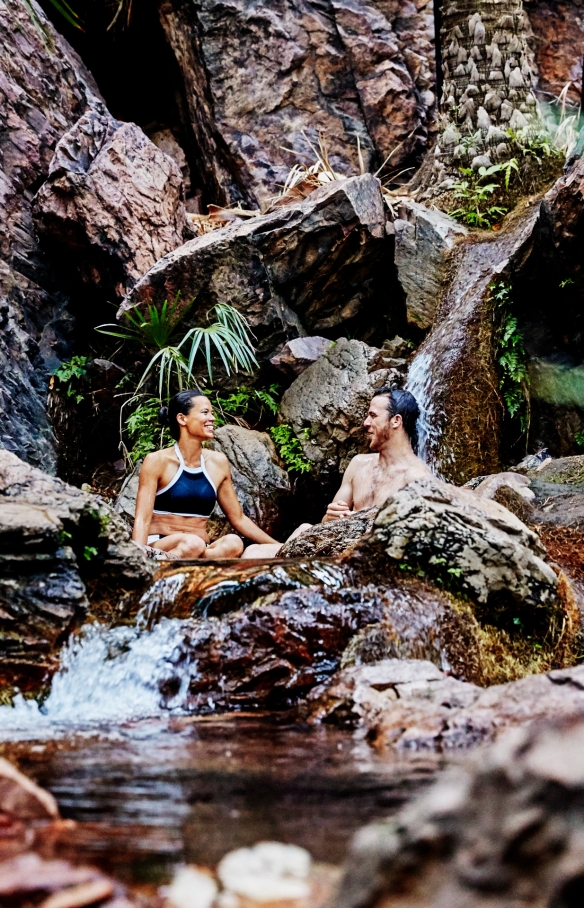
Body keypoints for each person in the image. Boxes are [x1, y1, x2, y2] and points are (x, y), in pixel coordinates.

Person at [242, 387, 431, 558]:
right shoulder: (359, 464)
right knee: (252, 552)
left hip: (366, 561)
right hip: (330, 550)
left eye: (373, 416)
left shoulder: (417, 479)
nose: (365, 423)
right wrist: (331, 516)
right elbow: (326, 523)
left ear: (396, 421)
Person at [132, 389, 280, 558]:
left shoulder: (218, 463)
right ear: (182, 419)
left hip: (201, 549)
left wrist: (279, 548)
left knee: (233, 542)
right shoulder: (157, 461)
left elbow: (238, 518)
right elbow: (142, 519)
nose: (212, 418)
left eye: (211, 413)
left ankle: (194, 564)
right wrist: (137, 558)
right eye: (205, 412)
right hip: (162, 545)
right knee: (192, 544)